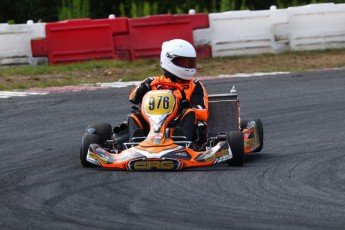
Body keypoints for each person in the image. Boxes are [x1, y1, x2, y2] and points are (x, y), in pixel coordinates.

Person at [128, 39, 208, 142]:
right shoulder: (153, 81)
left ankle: (182, 141)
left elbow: (203, 112)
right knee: (134, 116)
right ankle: (135, 142)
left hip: (178, 123)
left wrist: (185, 106)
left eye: (190, 62)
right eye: (183, 62)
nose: (187, 66)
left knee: (189, 112)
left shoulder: (195, 85)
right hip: (151, 123)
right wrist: (143, 89)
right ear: (168, 60)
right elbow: (133, 98)